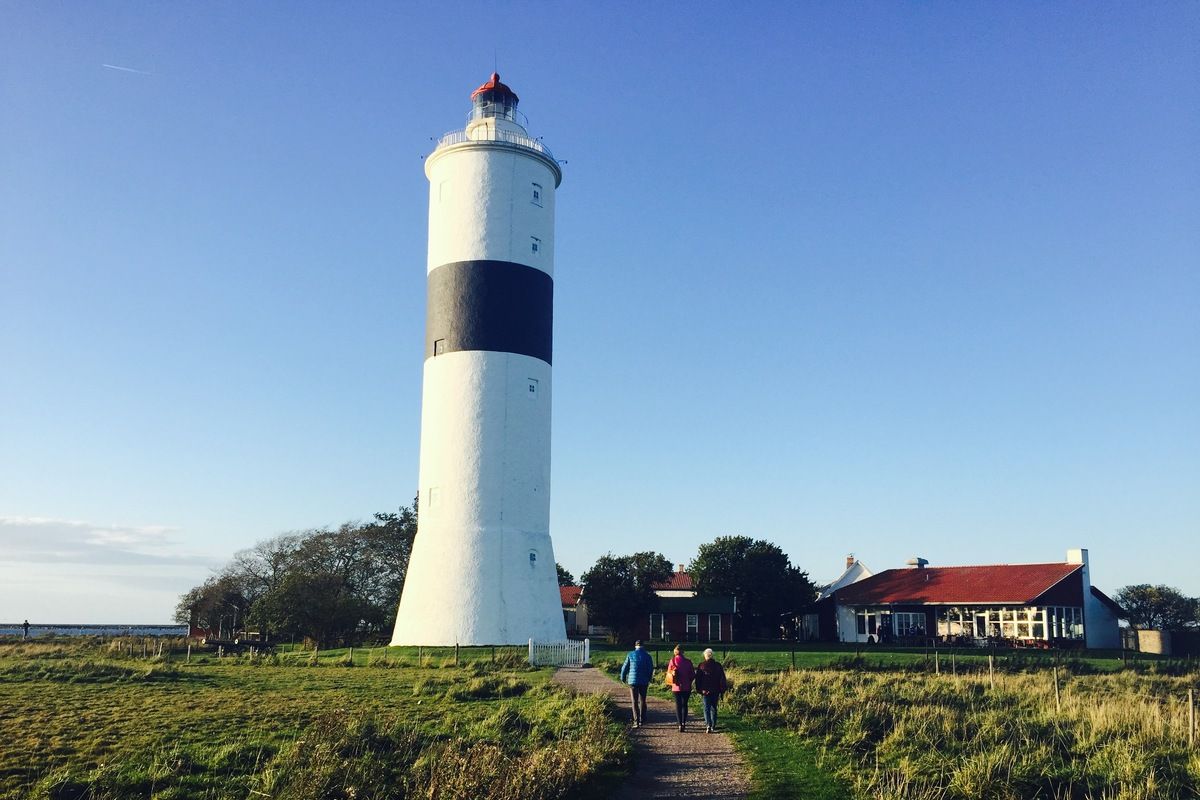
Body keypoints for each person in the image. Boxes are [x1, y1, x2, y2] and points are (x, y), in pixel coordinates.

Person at [619, 639, 654, 727]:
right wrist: (649, 678)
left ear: (635, 646)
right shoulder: (647, 656)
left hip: (632, 681)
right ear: (643, 646)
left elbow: (625, 668)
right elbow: (650, 669)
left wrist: (622, 677)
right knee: (642, 700)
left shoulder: (630, 655)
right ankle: (642, 719)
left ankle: (636, 721)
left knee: (634, 701)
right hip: (644, 681)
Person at [694, 647, 728, 733]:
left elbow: (698, 679)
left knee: (706, 708)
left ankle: (708, 724)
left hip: (705, 691)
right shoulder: (718, 665)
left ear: (705, 656)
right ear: (712, 656)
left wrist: (699, 689)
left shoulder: (701, 665)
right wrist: (722, 689)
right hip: (715, 690)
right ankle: (713, 725)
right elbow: (722, 678)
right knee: (714, 708)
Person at [667, 644, 695, 732]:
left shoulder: (672, 661)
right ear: (683, 652)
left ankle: (679, 724)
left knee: (678, 705)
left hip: (676, 687)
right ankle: (683, 722)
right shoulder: (688, 662)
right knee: (684, 705)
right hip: (686, 687)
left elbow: (668, 673)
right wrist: (689, 680)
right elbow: (692, 675)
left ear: (675, 652)